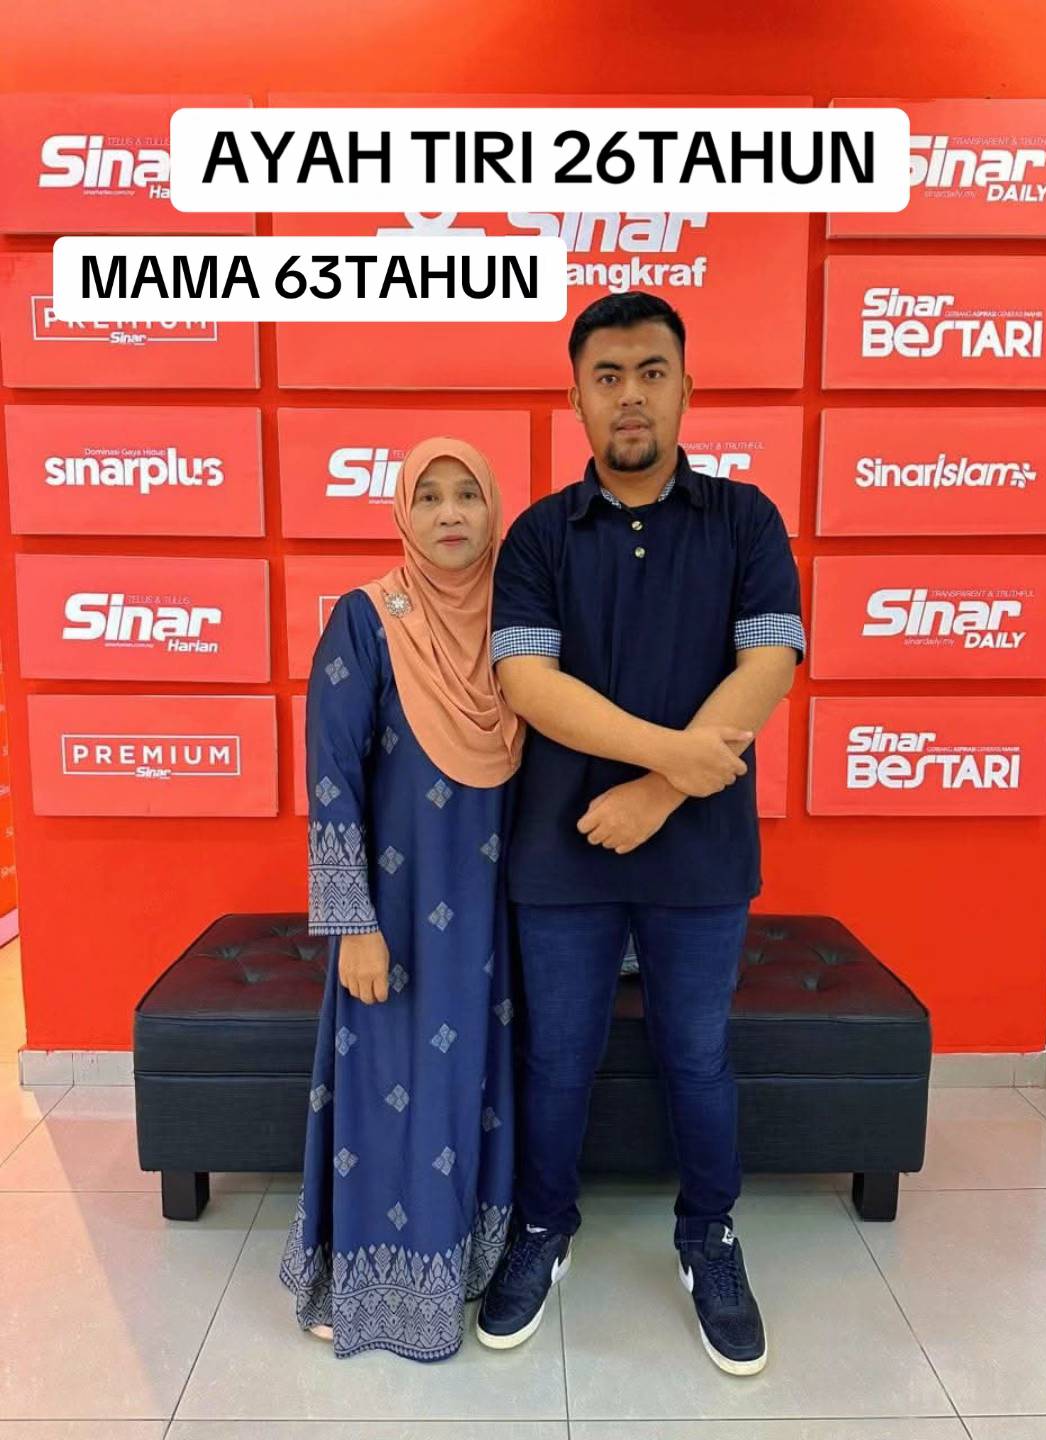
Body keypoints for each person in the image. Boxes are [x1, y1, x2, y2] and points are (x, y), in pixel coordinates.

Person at [476, 291, 805, 1376]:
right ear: (575, 397)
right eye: (607, 375)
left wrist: (659, 794)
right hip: (561, 851)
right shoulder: (538, 535)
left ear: (686, 389)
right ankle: (542, 1229)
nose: (630, 394)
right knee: (557, 1058)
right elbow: (530, 685)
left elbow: (768, 664)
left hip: (701, 853)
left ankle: (708, 1234)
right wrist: (676, 758)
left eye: (651, 372)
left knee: (697, 1055)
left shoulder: (746, 520)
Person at [279, 436, 524, 1362]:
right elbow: (332, 779)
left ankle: (468, 1265)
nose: (451, 513)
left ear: (494, 509)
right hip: (396, 912)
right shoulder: (366, 620)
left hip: (498, 913)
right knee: (386, 1093)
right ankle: (368, 1281)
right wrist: (354, 926)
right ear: (402, 514)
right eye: (430, 496)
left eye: (468, 493)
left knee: (478, 1089)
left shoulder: (521, 625)